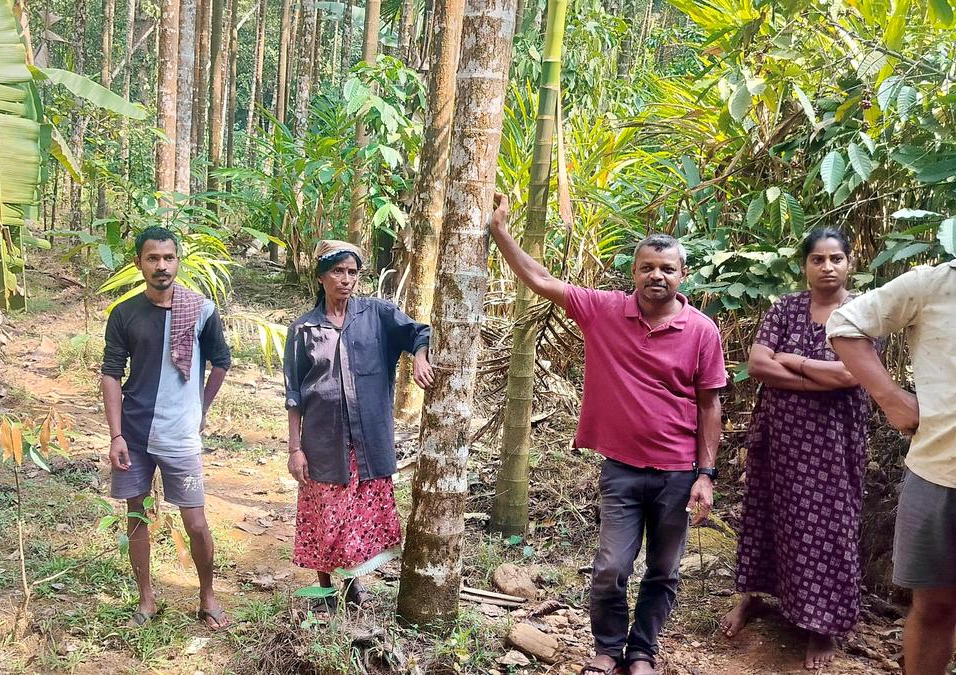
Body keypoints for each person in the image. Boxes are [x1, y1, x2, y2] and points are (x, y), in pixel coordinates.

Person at [488, 195, 726, 675]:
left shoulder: (702, 331)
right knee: (611, 567)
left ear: (683, 275)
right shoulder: (603, 310)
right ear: (634, 272)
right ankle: (608, 649)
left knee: (663, 571)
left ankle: (642, 653)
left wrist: (706, 475)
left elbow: (709, 406)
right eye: (647, 268)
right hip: (621, 469)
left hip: (679, 473)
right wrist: (499, 231)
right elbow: (541, 280)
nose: (656, 276)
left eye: (666, 268)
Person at [720, 228, 874, 669]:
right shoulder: (785, 308)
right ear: (804, 265)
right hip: (780, 438)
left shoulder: (864, 312)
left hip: (834, 441)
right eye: (818, 259)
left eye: (836, 259)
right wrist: (815, 376)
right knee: (768, 514)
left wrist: (792, 361)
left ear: (849, 263)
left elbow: (851, 376)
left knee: (831, 523)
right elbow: (757, 364)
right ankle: (750, 598)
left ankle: (823, 627)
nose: (827, 267)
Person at [283, 240, 433, 610]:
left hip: (367, 440)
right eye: (337, 271)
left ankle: (352, 587)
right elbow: (294, 393)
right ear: (321, 276)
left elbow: (419, 331)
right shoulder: (303, 329)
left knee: (355, 518)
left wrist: (419, 357)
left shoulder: (376, 314)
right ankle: (326, 590)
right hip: (321, 441)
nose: (346, 279)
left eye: (352, 272)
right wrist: (294, 448)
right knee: (324, 514)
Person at [827, 256, 956, 675]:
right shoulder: (934, 283)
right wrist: (891, 398)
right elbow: (845, 325)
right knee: (935, 606)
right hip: (938, 475)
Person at [101, 226, 233, 630]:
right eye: (153, 258)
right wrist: (116, 434)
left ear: (178, 261)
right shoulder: (124, 314)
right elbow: (110, 373)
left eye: (169, 257)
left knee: (195, 522)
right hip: (135, 436)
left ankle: (207, 596)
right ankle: (147, 601)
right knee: (136, 515)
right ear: (139, 262)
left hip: (180, 435)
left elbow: (221, 361)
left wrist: (201, 408)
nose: (162, 266)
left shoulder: (202, 310)